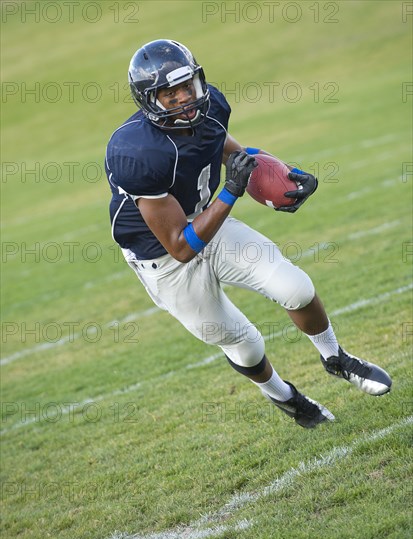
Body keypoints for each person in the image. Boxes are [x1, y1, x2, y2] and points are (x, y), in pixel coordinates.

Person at [104, 39, 392, 429]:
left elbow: (226, 148)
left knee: (296, 288)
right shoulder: (136, 152)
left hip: (211, 221)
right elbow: (181, 246)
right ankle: (285, 397)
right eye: (170, 95)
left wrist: (281, 171)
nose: (184, 99)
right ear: (149, 100)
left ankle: (335, 357)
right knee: (243, 340)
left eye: (187, 86)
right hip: (164, 257)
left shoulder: (212, 108)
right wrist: (231, 190)